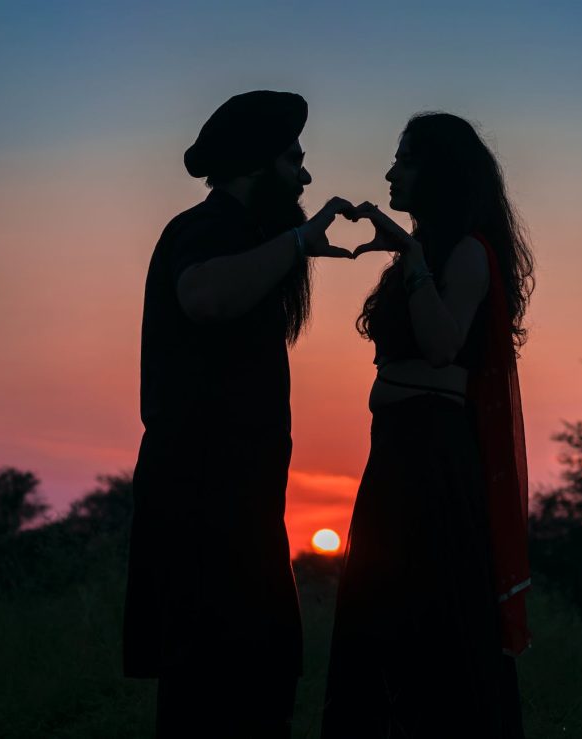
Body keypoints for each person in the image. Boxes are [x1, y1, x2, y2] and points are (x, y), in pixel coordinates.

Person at [122, 90, 354, 738]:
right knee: (211, 699)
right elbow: (204, 296)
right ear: (258, 163)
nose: (306, 174)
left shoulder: (245, 238)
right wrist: (298, 242)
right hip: (200, 510)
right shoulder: (205, 230)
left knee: (256, 690)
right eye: (293, 158)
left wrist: (293, 247)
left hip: (239, 511)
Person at [322, 112, 535, 738]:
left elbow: (442, 345)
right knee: (381, 609)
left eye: (406, 160)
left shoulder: (468, 253)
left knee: (428, 616)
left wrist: (410, 253)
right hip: (394, 456)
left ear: (439, 173)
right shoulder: (425, 256)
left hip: (433, 465)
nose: (391, 172)